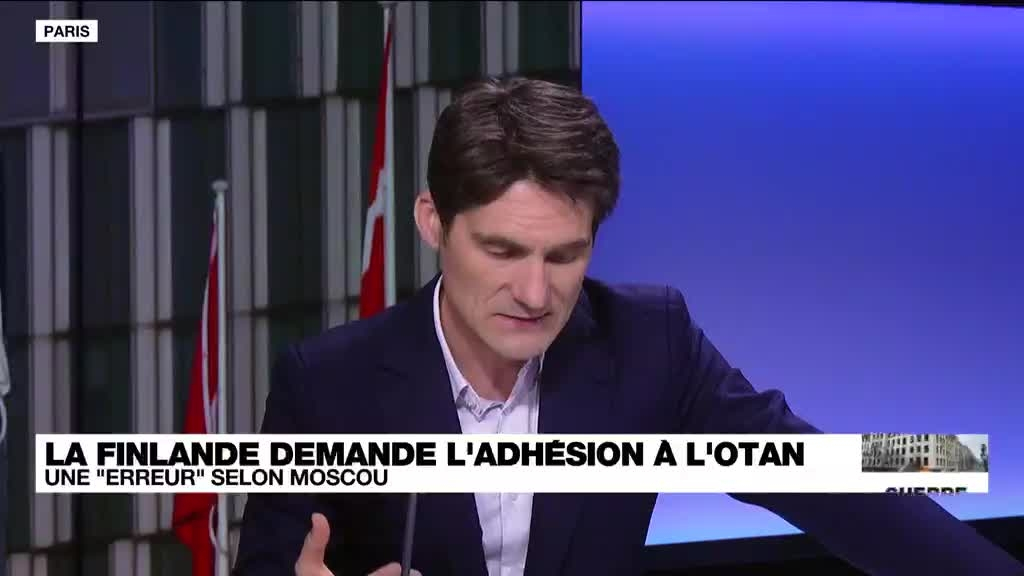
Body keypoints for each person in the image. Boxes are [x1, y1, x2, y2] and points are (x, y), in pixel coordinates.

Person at [233, 77, 1023, 576]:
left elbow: (823, 477)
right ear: (433, 221)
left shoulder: (650, 341)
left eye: (565, 255)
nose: (534, 293)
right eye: (502, 251)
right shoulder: (328, 383)